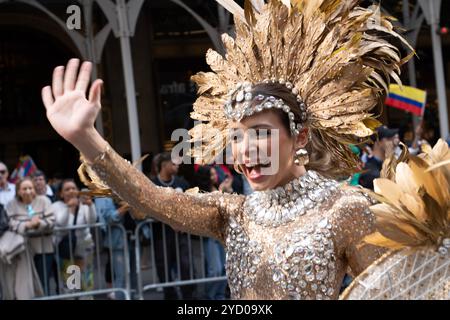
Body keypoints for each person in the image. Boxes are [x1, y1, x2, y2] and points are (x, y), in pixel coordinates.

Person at [41, 0, 410, 299]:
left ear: (300, 137)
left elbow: (394, 294)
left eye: (261, 133)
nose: (246, 152)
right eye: (236, 137)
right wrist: (85, 138)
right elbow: (148, 197)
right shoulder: (232, 213)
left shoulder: (345, 210)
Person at [150, 152, 195, 300]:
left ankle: (188, 296)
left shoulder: (182, 183)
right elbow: (150, 208)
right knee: (164, 265)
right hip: (161, 234)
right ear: (165, 165)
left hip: (181, 232)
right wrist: (170, 221)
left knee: (186, 264)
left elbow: (192, 205)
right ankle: (170, 296)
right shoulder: (153, 185)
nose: (178, 166)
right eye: (174, 163)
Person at [6, 177, 55, 296]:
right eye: (24, 188)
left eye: (30, 188)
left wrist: (39, 224)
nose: (28, 191)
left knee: (43, 283)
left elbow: (52, 221)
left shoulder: (44, 201)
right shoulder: (12, 204)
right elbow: (9, 223)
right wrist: (26, 225)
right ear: (18, 191)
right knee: (24, 286)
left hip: (43, 249)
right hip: (21, 251)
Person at [51, 179, 97, 294]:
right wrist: (68, 208)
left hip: (84, 246)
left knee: (86, 281)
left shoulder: (84, 205)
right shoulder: (56, 206)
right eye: (67, 189)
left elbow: (92, 221)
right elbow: (61, 224)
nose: (71, 191)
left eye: (73, 188)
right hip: (67, 248)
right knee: (71, 283)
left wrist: (90, 205)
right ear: (61, 194)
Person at [195, 166, 230, 300]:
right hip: (210, 235)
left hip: (222, 233)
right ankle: (210, 296)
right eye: (211, 175)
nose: (215, 177)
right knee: (214, 270)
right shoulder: (201, 193)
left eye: (215, 174)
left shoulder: (217, 188)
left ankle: (219, 295)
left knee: (224, 269)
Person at [358, 126, 399, 190]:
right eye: (388, 138)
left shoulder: (382, 163)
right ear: (378, 142)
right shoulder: (369, 170)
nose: (393, 142)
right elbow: (387, 188)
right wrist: (389, 158)